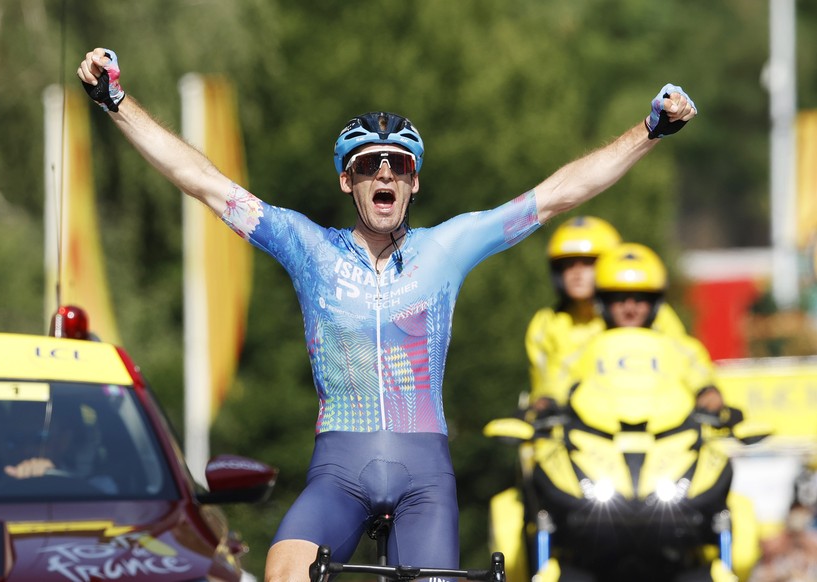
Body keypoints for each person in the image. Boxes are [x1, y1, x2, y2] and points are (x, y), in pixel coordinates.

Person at [76, 47, 697, 582]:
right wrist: (116, 101)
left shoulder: (445, 248)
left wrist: (650, 129)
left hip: (424, 474)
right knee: (283, 571)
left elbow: (561, 192)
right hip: (338, 472)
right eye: (368, 164)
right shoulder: (308, 247)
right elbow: (204, 182)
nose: (383, 173)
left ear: (413, 183)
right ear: (347, 182)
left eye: (397, 165)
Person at [522, 216, 687, 411]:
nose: (577, 273)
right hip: (572, 425)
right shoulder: (546, 323)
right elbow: (545, 386)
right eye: (568, 265)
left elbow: (684, 362)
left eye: (588, 263)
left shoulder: (648, 313)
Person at [556, 242, 726, 413]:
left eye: (639, 298)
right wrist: (548, 400)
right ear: (604, 302)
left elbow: (699, 373)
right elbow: (560, 380)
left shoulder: (677, 346)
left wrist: (708, 392)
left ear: (654, 303)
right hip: (599, 435)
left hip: (664, 433)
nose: (630, 308)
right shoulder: (587, 346)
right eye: (620, 298)